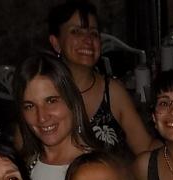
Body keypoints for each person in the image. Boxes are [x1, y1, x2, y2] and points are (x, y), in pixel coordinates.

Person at [13, 52, 101, 180]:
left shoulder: (97, 169)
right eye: (30, 106)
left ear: (71, 100)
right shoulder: (20, 166)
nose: (42, 117)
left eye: (51, 101)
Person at [47, 1, 155, 156]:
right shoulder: (43, 92)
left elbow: (145, 147)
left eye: (93, 33)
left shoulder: (112, 92)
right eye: (76, 31)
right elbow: (25, 153)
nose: (88, 40)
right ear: (56, 43)